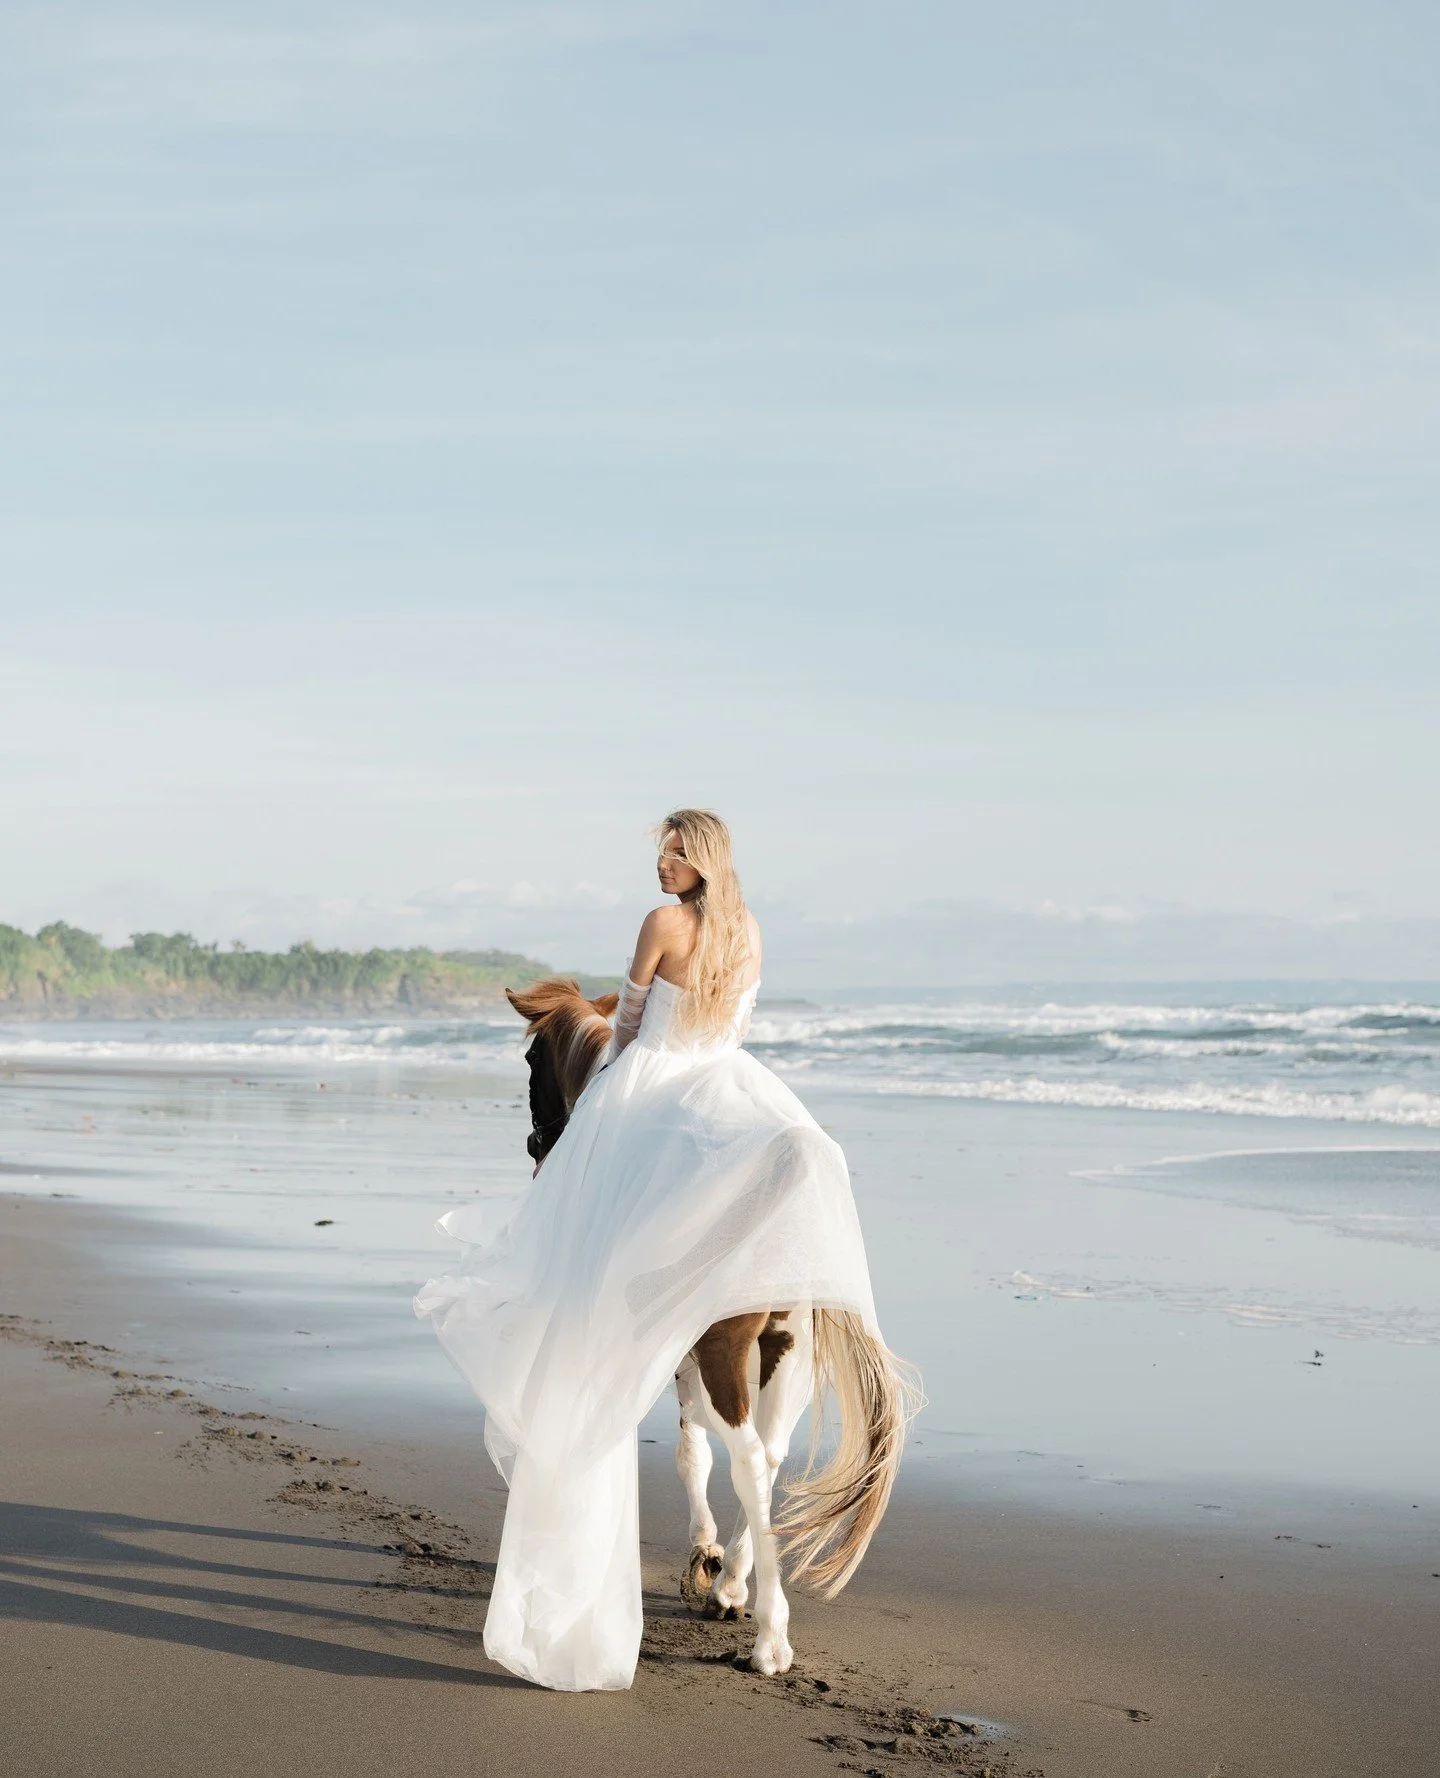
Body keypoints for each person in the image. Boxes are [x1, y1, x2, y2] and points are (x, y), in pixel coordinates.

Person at [415, 809, 883, 1690]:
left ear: (701, 860)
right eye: (659, 854)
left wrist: (602, 1110)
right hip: (732, 1083)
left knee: (581, 1255)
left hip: (653, 1084)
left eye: (675, 852)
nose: (662, 866)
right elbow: (732, 1030)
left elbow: (625, 1028)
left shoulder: (664, 925)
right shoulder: (747, 930)